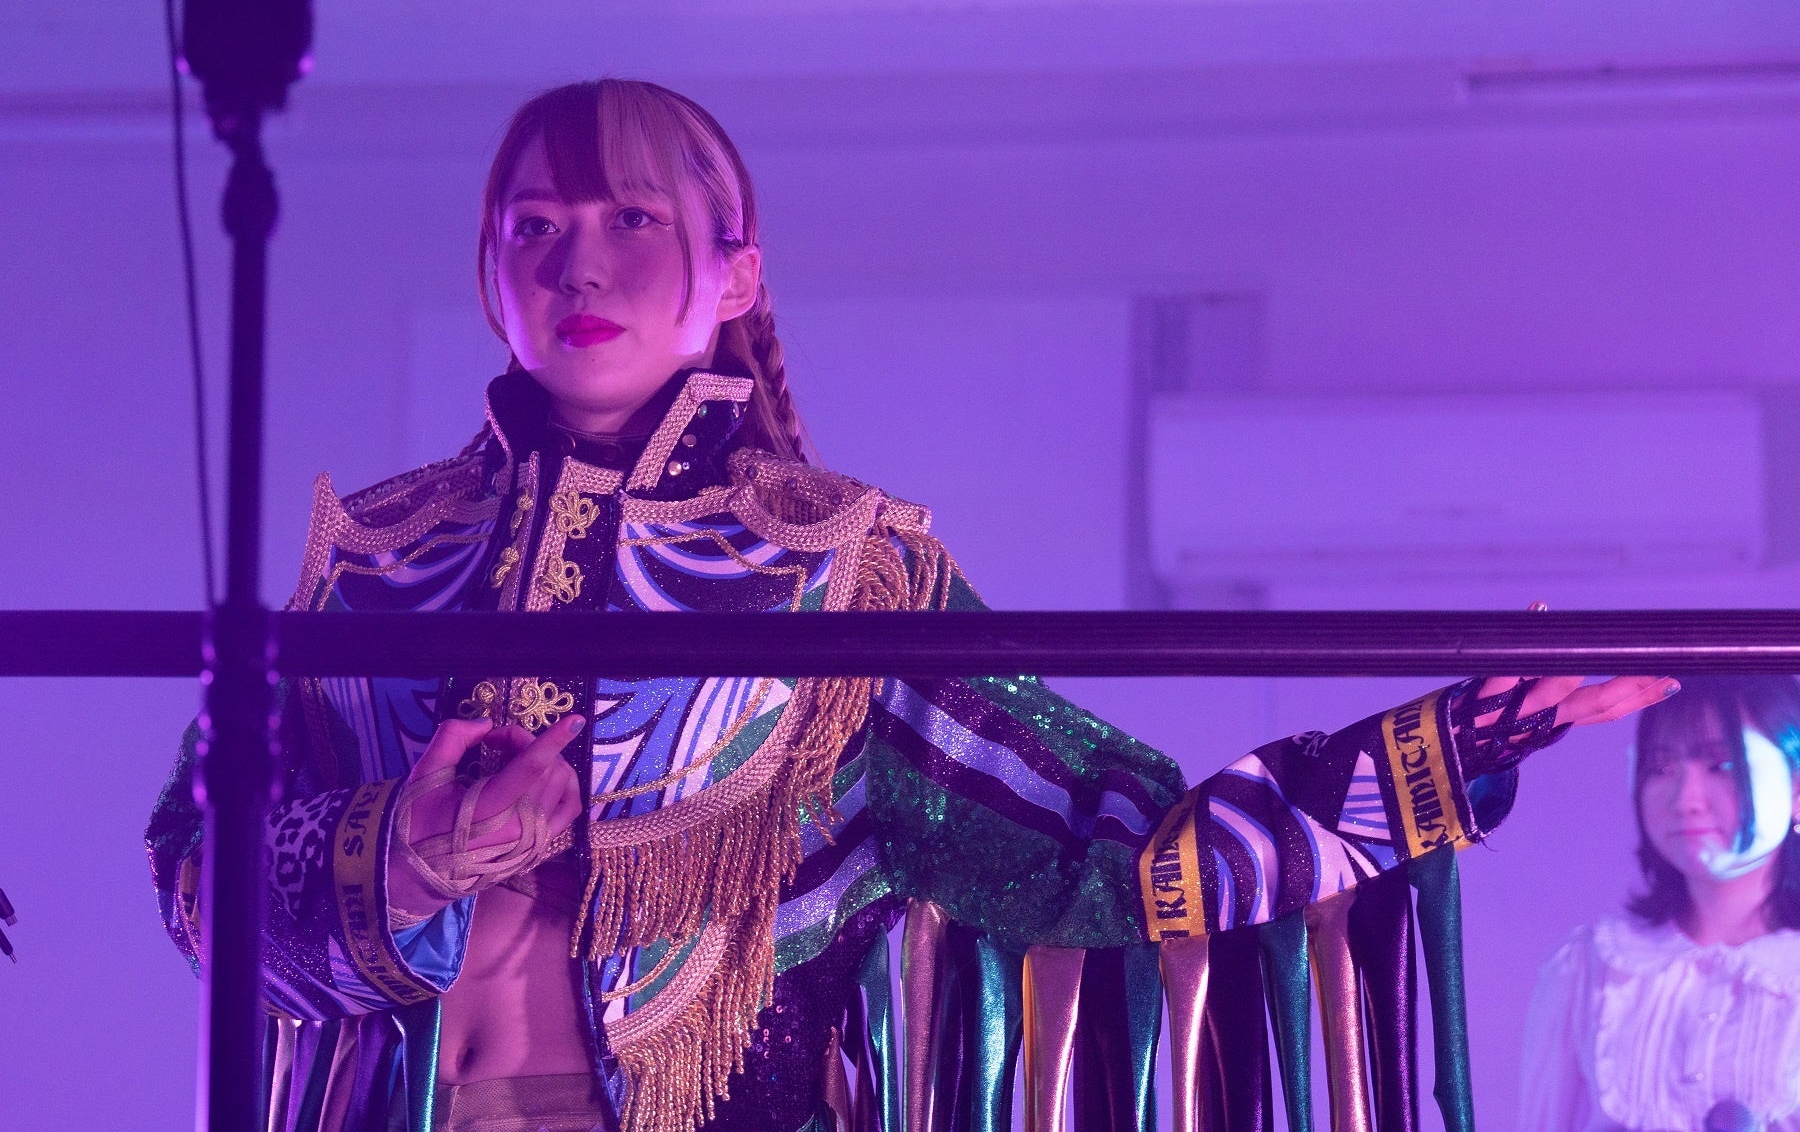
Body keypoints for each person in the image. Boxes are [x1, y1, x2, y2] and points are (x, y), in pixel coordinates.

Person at [146, 79, 1673, 1132]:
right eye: (535, 227)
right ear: (491, 276)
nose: (578, 264)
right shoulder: (369, 565)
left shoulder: (835, 575)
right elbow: (199, 887)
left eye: (633, 221)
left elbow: (1104, 853)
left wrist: (1454, 743)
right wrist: (406, 858)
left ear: (736, 273)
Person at [1519, 676, 1800, 1132]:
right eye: (1660, 768)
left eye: (1722, 765)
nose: (1684, 800)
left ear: (1796, 788)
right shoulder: (1590, 968)